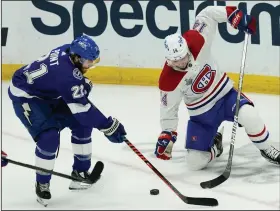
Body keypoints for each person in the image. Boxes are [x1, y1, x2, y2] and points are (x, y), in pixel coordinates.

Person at [154, 6, 280, 170]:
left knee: (250, 115)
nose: (182, 62)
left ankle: (266, 148)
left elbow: (207, 14)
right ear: (168, 60)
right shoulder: (168, 81)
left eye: (183, 56)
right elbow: (168, 110)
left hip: (225, 95)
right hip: (201, 115)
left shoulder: (197, 40)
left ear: (186, 48)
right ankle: (216, 146)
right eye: (176, 61)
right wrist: (167, 133)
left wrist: (232, 14)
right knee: (194, 163)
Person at [8, 34, 127, 205]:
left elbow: (78, 104)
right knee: (49, 138)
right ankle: (42, 183)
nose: (90, 65)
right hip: (26, 97)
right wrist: (107, 126)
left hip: (47, 95)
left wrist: (81, 86)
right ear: (77, 58)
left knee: (82, 124)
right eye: (89, 62)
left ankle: (80, 174)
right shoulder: (66, 75)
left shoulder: (68, 50)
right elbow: (83, 109)